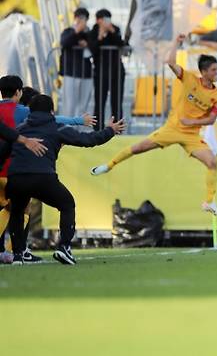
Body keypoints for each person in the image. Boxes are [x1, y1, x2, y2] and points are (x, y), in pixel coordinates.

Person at [91, 35, 217, 217]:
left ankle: (209, 202)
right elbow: (169, 62)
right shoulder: (189, 79)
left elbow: (211, 120)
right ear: (204, 71)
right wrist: (175, 42)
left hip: (192, 135)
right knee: (139, 148)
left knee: (212, 162)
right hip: (172, 129)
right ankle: (109, 165)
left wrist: (192, 122)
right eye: (214, 70)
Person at [3, 94, 125, 265]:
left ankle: (17, 255)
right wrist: (110, 130)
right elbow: (88, 140)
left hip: (17, 178)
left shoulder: (18, 130)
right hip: (42, 177)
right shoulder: (57, 128)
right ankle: (64, 247)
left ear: (29, 111)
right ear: (52, 111)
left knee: (16, 211)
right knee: (67, 204)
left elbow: (3, 152)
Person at [0, 76, 94, 262]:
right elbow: (53, 119)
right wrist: (77, 120)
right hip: (12, 168)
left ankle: (15, 252)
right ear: (18, 92)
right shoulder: (23, 113)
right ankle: (16, 252)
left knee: (12, 209)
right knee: (17, 210)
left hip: (7, 168)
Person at [88, 9, 125, 131]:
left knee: (117, 100)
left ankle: (117, 128)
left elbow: (121, 44)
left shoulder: (115, 29)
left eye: (108, 19)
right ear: (98, 20)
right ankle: (97, 129)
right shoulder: (93, 31)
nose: (107, 22)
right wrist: (100, 36)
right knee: (99, 100)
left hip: (116, 70)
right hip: (100, 70)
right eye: (104, 19)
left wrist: (112, 32)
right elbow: (92, 48)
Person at [59, 7, 94, 118]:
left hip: (86, 74)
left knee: (83, 106)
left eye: (84, 18)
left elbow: (95, 46)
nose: (81, 20)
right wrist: (77, 31)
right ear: (75, 18)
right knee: (69, 105)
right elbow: (64, 42)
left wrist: (87, 43)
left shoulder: (90, 34)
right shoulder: (68, 31)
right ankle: (69, 129)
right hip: (70, 73)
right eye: (79, 17)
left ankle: (81, 130)